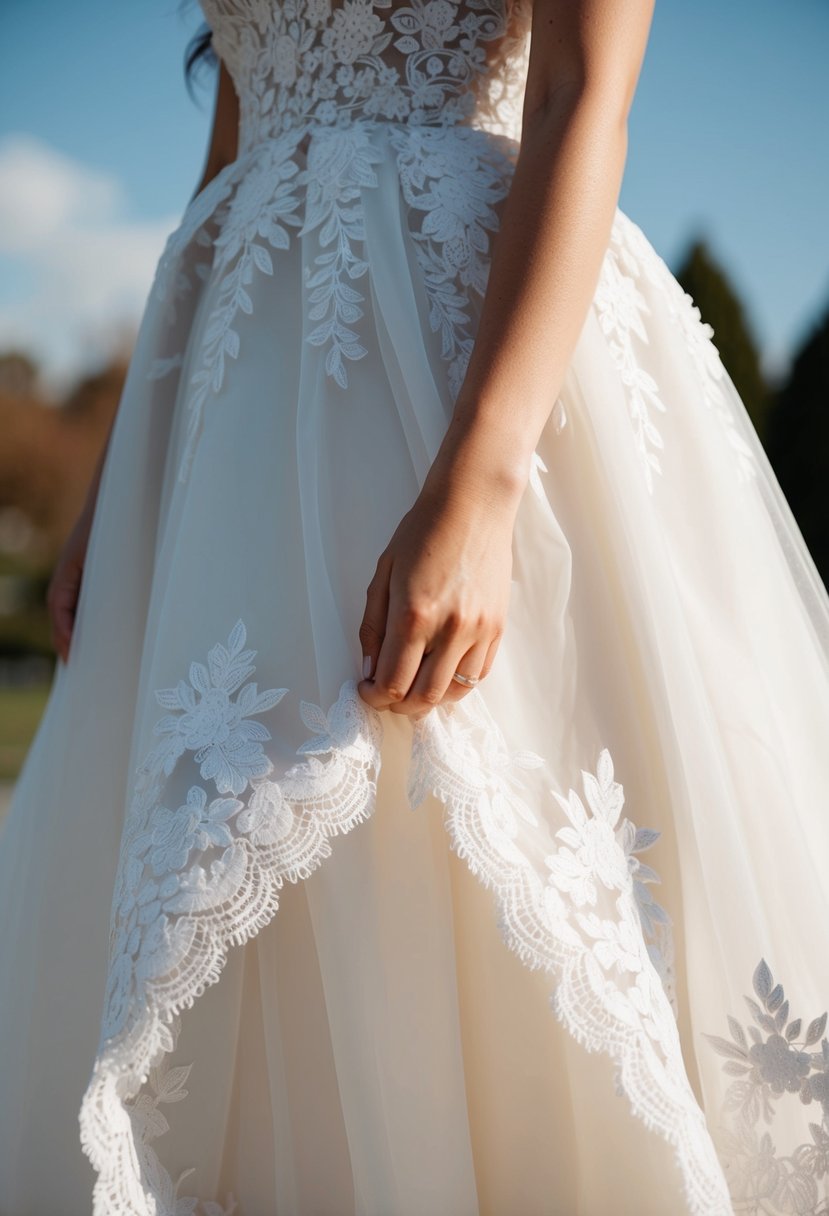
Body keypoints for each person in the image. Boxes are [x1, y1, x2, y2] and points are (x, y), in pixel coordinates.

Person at [1, 0, 828, 1212]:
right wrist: (121, 470)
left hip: (451, 339)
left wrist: (483, 481)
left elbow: (578, 95)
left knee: (436, 804)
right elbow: (226, 150)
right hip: (234, 380)